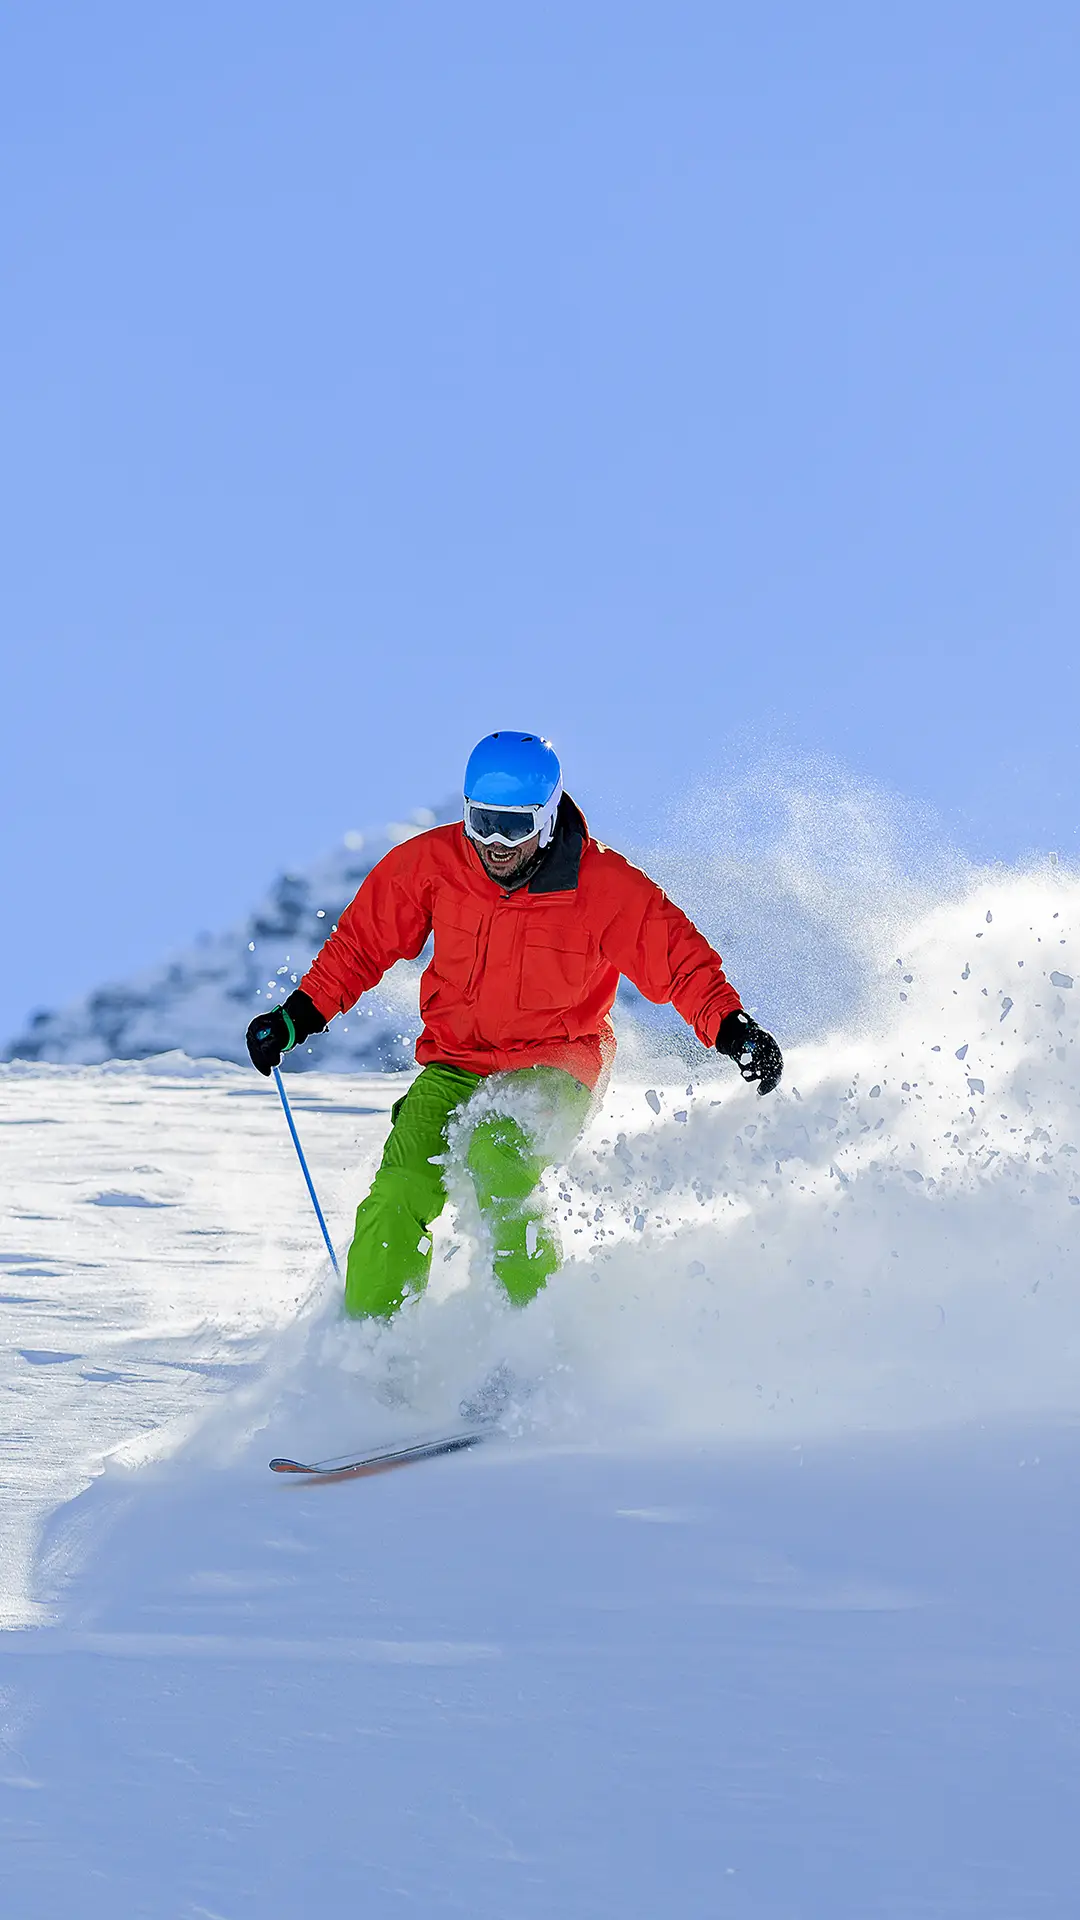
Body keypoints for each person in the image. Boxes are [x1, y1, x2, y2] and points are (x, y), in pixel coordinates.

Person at [246, 731, 782, 1319]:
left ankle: (530, 1339)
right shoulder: (433, 865)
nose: (496, 845)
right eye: (482, 822)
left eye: (515, 826)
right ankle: (372, 1350)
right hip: (455, 1061)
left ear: (549, 816)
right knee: (400, 1188)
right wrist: (297, 1017)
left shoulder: (602, 886)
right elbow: (360, 947)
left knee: (497, 1154)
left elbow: (677, 961)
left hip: (558, 1062)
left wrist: (732, 1028)